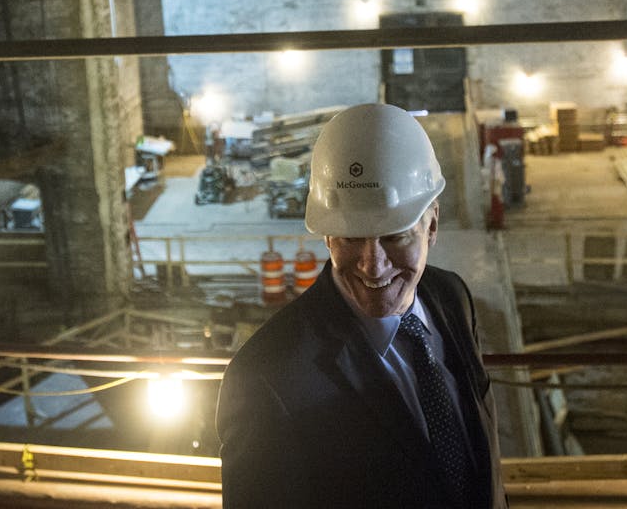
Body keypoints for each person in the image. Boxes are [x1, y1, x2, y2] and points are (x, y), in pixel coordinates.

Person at [216, 103, 507, 508]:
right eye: (351, 237)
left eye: (394, 236)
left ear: (433, 225)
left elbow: (481, 460)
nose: (373, 265)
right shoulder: (267, 379)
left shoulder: (451, 299)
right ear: (327, 237)